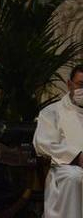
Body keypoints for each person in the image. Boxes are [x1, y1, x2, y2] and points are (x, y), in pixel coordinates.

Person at [33, 65, 83, 218]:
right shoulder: (53, 112)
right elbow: (43, 144)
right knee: (74, 177)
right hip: (66, 167)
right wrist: (77, 156)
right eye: (81, 85)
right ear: (69, 84)